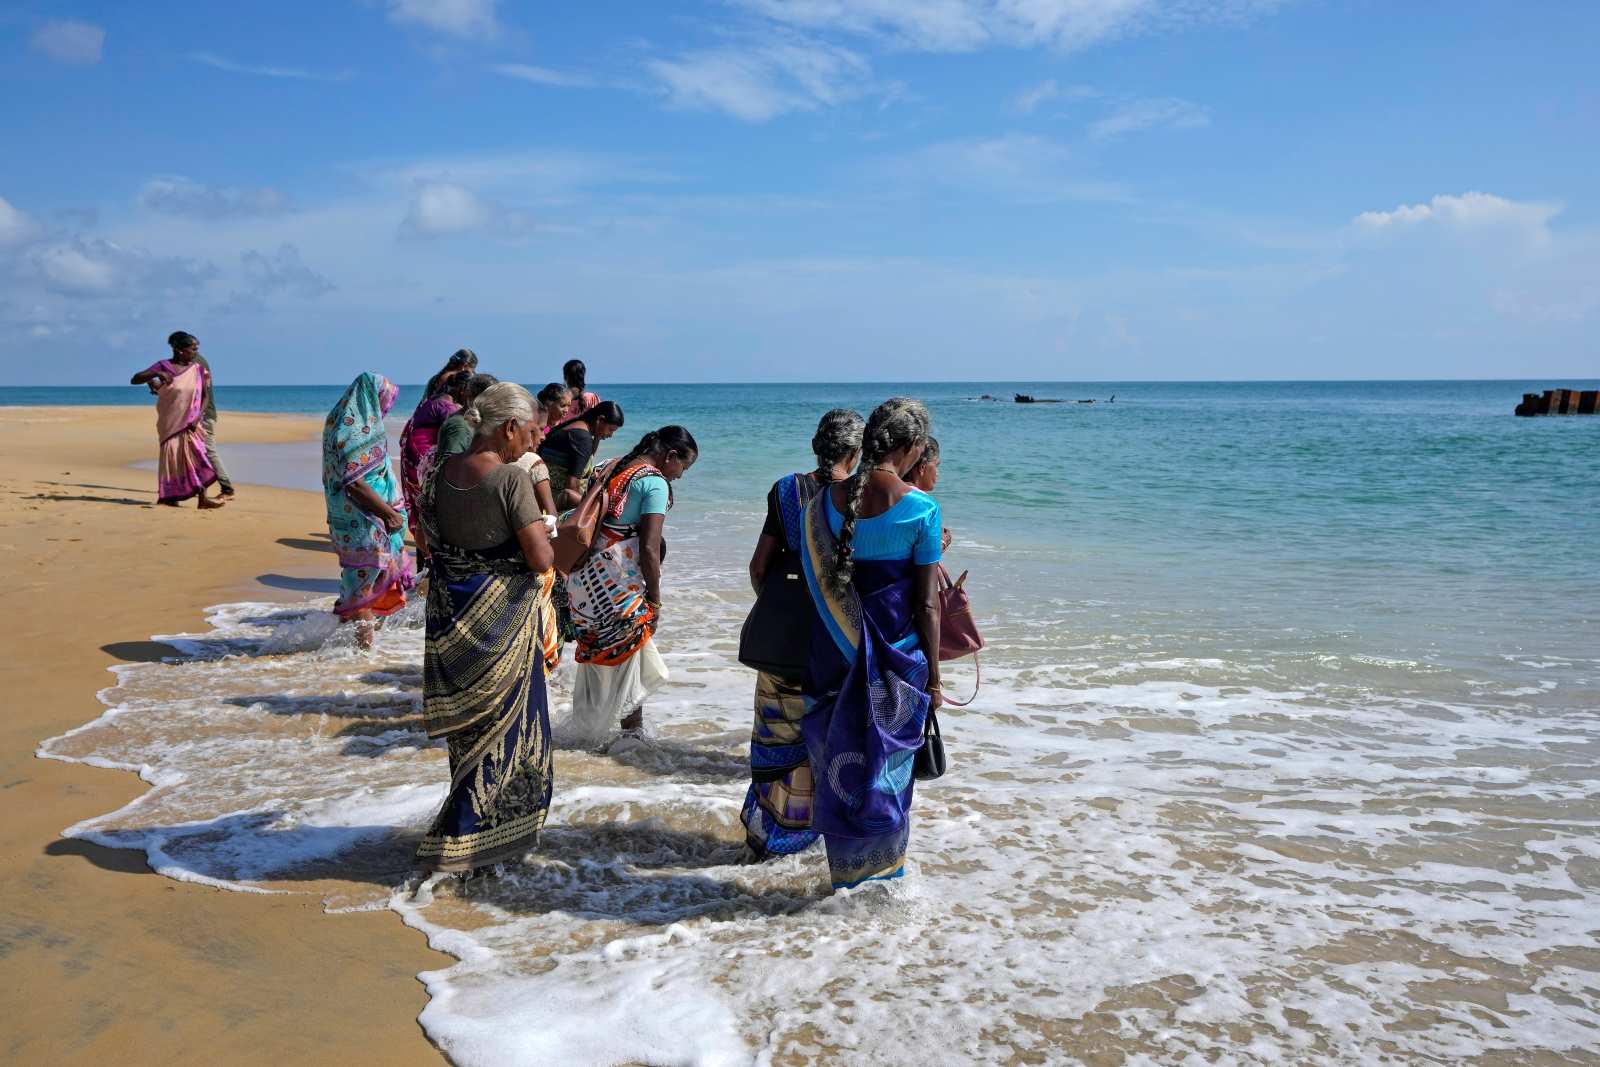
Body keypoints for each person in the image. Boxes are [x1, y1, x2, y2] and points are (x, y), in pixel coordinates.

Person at [415, 383, 557, 876]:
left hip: (453, 617)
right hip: (502, 624)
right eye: (531, 433)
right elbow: (540, 559)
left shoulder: (436, 472)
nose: (532, 444)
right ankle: (474, 844)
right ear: (509, 428)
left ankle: (464, 835)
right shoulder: (510, 481)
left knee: (471, 732)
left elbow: (426, 536)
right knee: (509, 730)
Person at [799, 398, 942, 891]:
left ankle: (844, 881)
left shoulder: (817, 506)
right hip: (895, 667)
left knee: (838, 765)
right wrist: (938, 680)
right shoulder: (922, 509)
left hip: (829, 660)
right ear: (910, 447)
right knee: (886, 770)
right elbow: (926, 606)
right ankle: (881, 886)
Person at [740, 409, 864, 862]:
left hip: (784, 642)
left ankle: (770, 838)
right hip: (833, 644)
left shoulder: (787, 490)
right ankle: (812, 845)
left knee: (776, 736)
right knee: (825, 742)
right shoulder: (860, 497)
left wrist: (781, 610)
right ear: (854, 452)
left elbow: (759, 566)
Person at [565, 426, 698, 741]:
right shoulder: (654, 483)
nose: (680, 476)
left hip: (582, 580)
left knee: (597, 657)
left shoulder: (611, 466)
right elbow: (650, 550)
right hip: (615, 585)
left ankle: (583, 737)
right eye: (684, 467)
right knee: (630, 663)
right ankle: (631, 745)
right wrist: (654, 600)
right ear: (671, 456)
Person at [321, 372, 415, 649]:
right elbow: (356, 484)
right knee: (364, 590)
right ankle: (363, 655)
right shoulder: (354, 431)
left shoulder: (339, 422)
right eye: (385, 400)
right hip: (364, 521)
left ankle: (339, 650)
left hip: (350, 519)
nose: (387, 407)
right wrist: (389, 514)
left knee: (358, 585)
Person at [130, 338, 226, 509]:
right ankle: (169, 496)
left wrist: (197, 417)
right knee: (173, 458)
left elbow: (204, 396)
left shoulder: (198, 370)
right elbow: (135, 379)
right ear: (180, 350)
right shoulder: (163, 365)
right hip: (170, 422)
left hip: (192, 423)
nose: (196, 352)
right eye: (193, 349)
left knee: (197, 456)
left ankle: (203, 499)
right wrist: (155, 374)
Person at [538, 400, 625, 509]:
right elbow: (572, 484)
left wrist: (598, 435)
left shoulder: (577, 426)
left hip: (543, 495)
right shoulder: (582, 438)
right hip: (555, 502)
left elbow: (586, 457)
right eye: (610, 429)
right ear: (599, 420)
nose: (611, 435)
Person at [905, 435, 953, 553]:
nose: (937, 473)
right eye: (936, 465)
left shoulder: (890, 491)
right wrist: (942, 543)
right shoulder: (925, 504)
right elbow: (925, 559)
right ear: (922, 467)